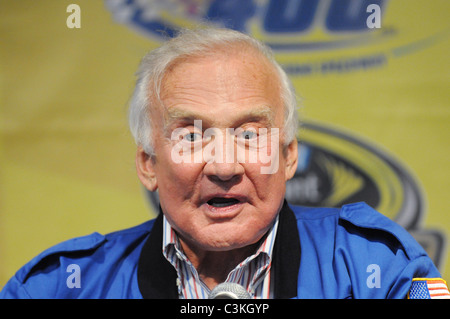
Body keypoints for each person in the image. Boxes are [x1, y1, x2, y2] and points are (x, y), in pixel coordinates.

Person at [1, 27, 448, 299]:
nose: (224, 165)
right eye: (192, 136)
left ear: (289, 155)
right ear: (148, 164)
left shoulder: (382, 269)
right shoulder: (59, 286)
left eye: (250, 135)